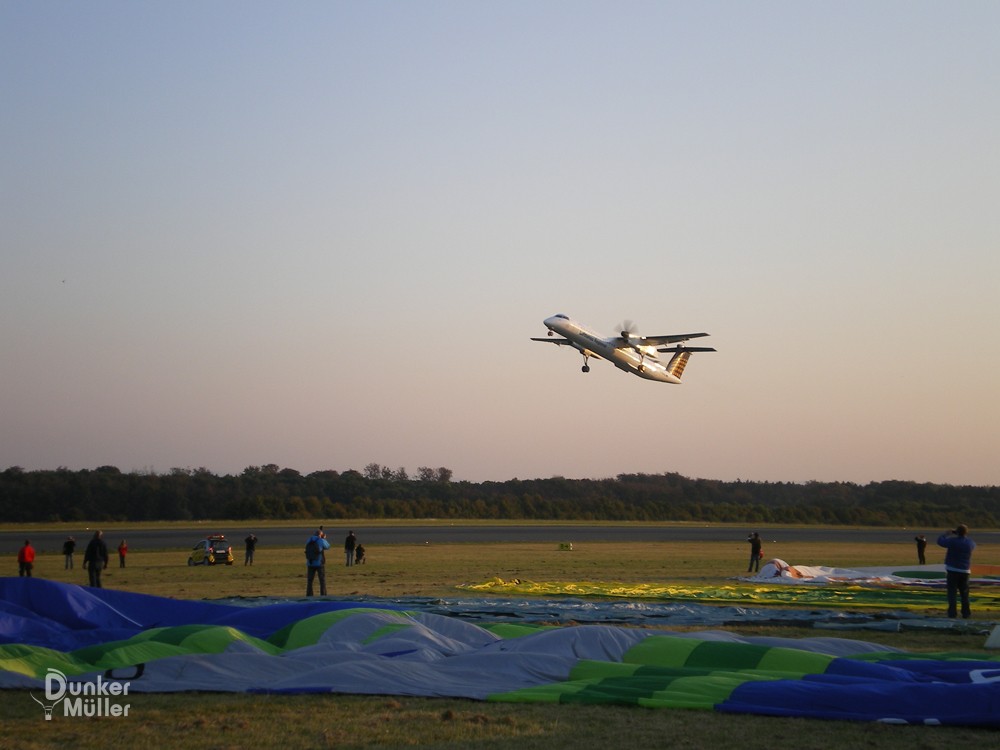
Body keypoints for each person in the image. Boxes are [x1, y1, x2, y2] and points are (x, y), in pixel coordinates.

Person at [937, 524, 976, 618]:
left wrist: (946, 534)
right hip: (965, 570)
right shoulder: (970, 543)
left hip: (953, 569)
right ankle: (966, 613)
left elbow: (940, 542)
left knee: (952, 592)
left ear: (957, 532)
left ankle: (952, 613)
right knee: (964, 593)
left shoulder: (952, 541)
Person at [305, 529, 330, 596]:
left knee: (310, 581)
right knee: (322, 580)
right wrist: (324, 539)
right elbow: (328, 546)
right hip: (319, 563)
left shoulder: (309, 540)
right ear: (320, 534)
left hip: (310, 563)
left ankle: (309, 595)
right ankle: (323, 595)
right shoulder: (321, 540)